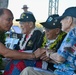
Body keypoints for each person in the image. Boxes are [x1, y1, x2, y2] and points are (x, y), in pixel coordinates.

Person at [20, 7, 76, 75]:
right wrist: (50, 58)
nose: (60, 22)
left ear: (69, 20)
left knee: (28, 71)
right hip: (65, 71)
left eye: (62, 19)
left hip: (64, 73)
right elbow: (67, 61)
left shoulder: (72, 33)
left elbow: (60, 58)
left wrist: (48, 53)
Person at [0, 8, 45, 75]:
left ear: (31, 24)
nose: (11, 23)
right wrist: (32, 55)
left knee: (16, 63)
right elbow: (6, 53)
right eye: (8, 19)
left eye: (23, 23)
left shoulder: (37, 34)